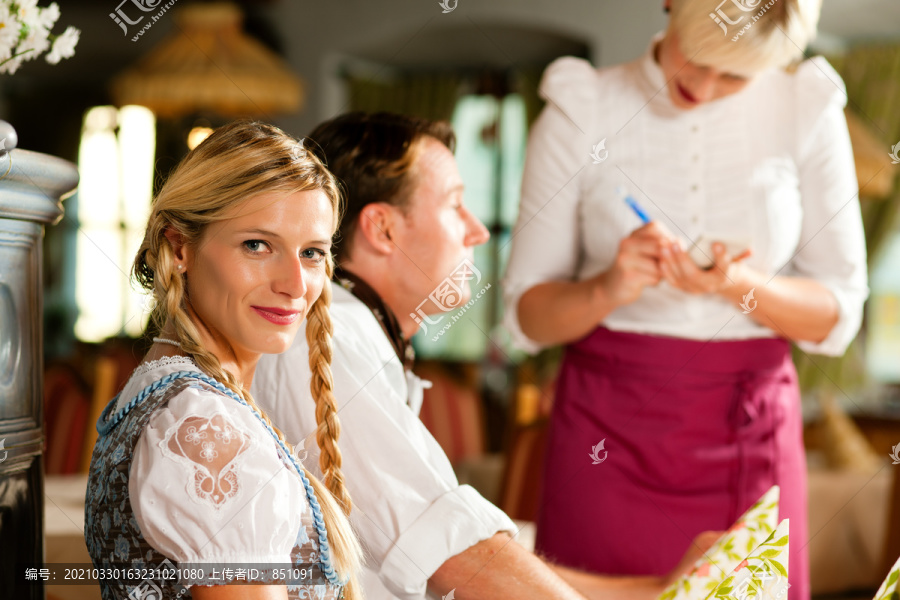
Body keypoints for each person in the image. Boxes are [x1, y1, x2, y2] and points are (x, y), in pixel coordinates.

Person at [252, 111, 719, 600]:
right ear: (383, 230)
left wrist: (657, 590)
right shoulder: (328, 336)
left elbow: (460, 546)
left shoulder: (352, 331)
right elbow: (451, 553)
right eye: (456, 205)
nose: (477, 231)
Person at [502, 1, 869, 600]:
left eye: (735, 76)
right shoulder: (582, 106)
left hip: (750, 431)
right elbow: (527, 316)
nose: (701, 87)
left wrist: (741, 287)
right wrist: (606, 287)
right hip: (605, 433)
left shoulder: (806, 108)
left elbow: (837, 312)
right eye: (694, 59)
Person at [84, 121, 362, 600]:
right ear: (179, 248)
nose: (295, 284)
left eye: (312, 253)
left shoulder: (172, 396)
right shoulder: (203, 421)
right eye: (257, 245)